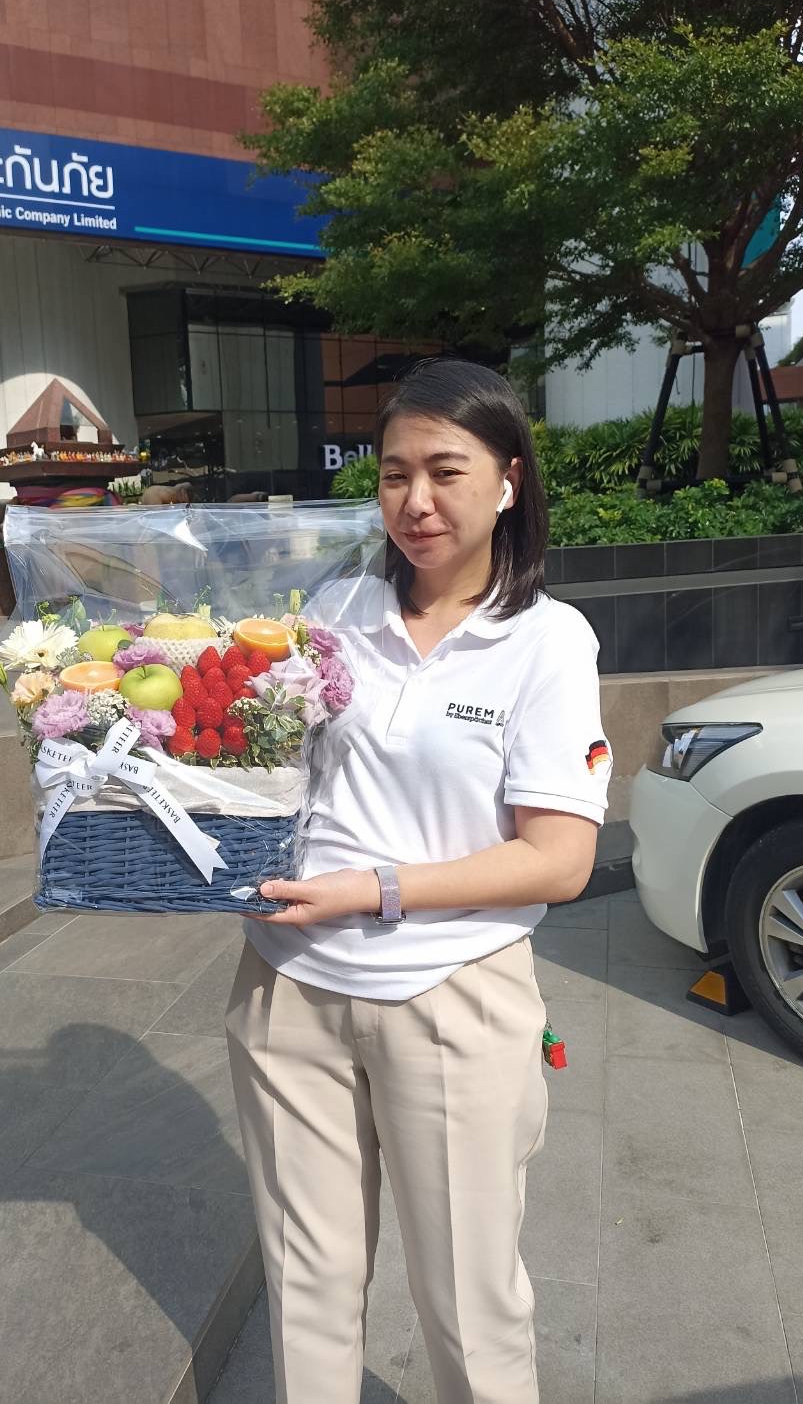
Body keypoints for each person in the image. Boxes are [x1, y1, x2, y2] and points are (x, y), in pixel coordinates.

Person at [225, 358, 612, 1404]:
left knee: (467, 1303)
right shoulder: (337, 608)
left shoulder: (544, 642)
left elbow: (558, 858)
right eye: (393, 473)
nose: (416, 501)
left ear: (508, 481)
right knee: (303, 1282)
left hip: (449, 997)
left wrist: (372, 890)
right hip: (287, 990)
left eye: (446, 470)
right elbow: (267, 766)